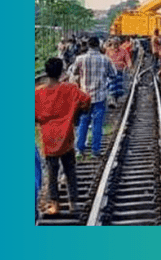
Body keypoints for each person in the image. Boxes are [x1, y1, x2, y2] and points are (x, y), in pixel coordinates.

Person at [36, 58, 91, 214]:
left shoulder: (38, 93)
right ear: (61, 72)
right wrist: (77, 113)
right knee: (70, 170)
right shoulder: (70, 89)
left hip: (48, 139)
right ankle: (73, 202)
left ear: (46, 73)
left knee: (52, 173)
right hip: (66, 137)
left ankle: (54, 204)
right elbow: (86, 100)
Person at [72, 37, 117, 158]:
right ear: (99, 45)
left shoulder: (80, 59)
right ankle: (95, 151)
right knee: (97, 124)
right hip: (100, 97)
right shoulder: (105, 59)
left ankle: (80, 149)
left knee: (83, 122)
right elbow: (114, 74)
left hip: (85, 97)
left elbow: (74, 73)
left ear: (88, 45)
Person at [105, 37, 131, 108]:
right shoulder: (108, 51)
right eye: (114, 43)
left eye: (117, 43)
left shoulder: (123, 51)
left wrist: (128, 66)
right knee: (111, 86)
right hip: (110, 72)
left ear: (119, 44)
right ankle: (111, 100)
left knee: (119, 88)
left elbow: (128, 60)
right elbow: (105, 60)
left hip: (120, 71)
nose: (115, 45)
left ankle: (114, 99)